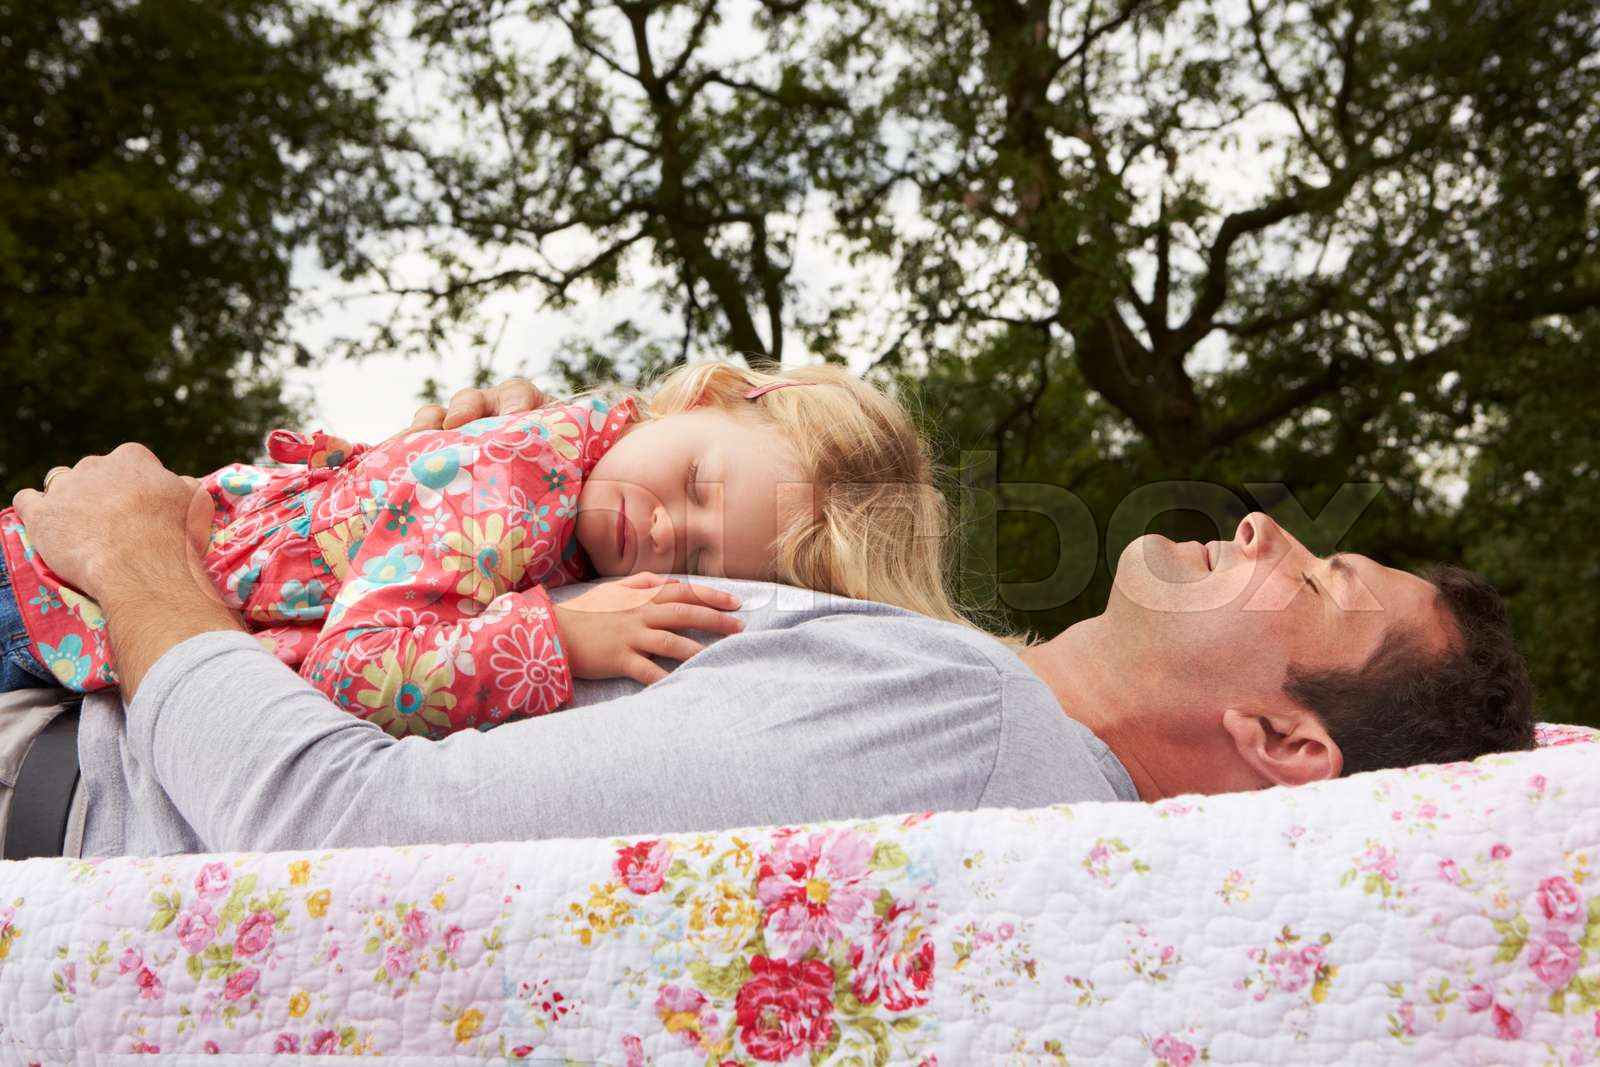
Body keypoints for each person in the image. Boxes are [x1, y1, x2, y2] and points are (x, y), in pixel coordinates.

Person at [0, 378, 1535, 860]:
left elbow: (342, 825)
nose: (1266, 526)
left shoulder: (960, 724)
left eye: (1316, 582)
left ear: (1281, 737)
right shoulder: (953, 688)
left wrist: (138, 564)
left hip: (61, 773)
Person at [0, 361, 962, 740]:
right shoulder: (513, 479)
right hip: (46, 599)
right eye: (699, 483)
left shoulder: (572, 483)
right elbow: (351, 666)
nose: (668, 529)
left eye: (704, 560)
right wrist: (557, 638)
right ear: (700, 395)